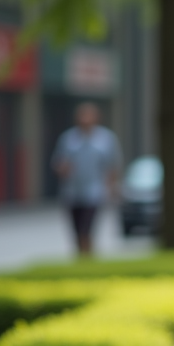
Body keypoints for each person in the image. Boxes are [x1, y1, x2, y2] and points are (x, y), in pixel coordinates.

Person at [52, 103, 121, 256]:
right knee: (76, 230)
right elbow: (58, 162)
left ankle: (87, 256)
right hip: (72, 192)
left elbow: (112, 165)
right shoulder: (68, 138)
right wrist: (62, 168)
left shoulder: (106, 139)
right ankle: (82, 255)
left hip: (94, 192)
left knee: (86, 228)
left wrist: (111, 187)